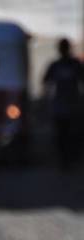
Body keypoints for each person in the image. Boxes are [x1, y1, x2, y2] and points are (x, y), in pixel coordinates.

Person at [43, 38, 84, 168]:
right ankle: (65, 160)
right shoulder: (57, 65)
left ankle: (70, 159)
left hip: (71, 106)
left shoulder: (73, 64)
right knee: (62, 134)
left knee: (71, 134)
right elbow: (46, 81)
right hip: (63, 106)